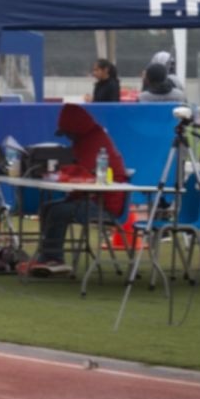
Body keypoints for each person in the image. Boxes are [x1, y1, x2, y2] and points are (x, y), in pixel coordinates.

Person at [30, 103, 128, 276]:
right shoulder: (86, 140)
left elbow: (86, 176)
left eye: (68, 133)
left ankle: (54, 259)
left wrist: (62, 173)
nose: (67, 137)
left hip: (104, 206)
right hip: (92, 200)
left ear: (76, 129)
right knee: (49, 208)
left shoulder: (94, 143)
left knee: (58, 211)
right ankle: (47, 257)